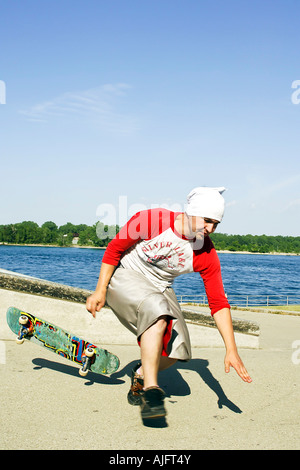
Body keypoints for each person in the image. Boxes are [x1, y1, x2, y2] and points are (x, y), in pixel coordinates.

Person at [86, 187, 252, 420]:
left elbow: (218, 302)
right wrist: (99, 291)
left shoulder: (205, 251)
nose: (211, 229)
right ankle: (151, 390)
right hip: (125, 277)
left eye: (216, 224)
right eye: (207, 221)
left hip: (160, 287)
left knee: (178, 350)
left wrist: (231, 350)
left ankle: (142, 373)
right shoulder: (152, 220)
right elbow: (114, 250)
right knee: (157, 312)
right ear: (191, 212)